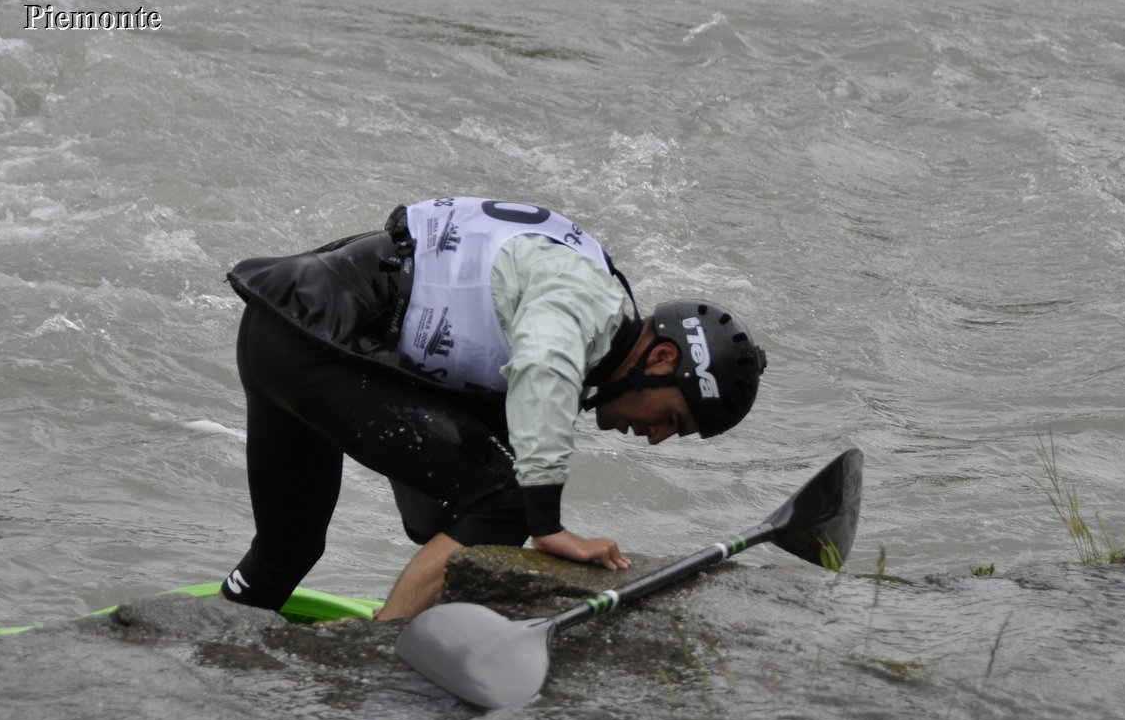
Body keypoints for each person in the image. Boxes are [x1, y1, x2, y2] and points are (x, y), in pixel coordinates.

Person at [218, 196, 766, 619]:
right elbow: (543, 368)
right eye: (672, 419)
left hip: (282, 330)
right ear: (663, 357)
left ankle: (215, 631)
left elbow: (433, 513)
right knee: (507, 500)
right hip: (317, 339)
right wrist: (547, 525)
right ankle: (382, 654)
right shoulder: (585, 298)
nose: (655, 438)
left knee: (289, 550)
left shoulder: (579, 316)